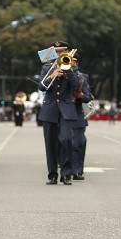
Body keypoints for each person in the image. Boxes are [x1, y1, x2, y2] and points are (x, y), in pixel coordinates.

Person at [37, 41, 80, 186]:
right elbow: (41, 87)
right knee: (50, 144)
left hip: (66, 110)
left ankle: (67, 174)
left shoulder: (72, 67)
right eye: (57, 51)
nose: (59, 54)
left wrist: (67, 71)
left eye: (62, 51)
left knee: (66, 140)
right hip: (49, 111)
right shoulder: (46, 68)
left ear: (66, 52)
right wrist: (52, 75)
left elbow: (76, 85)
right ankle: (53, 175)